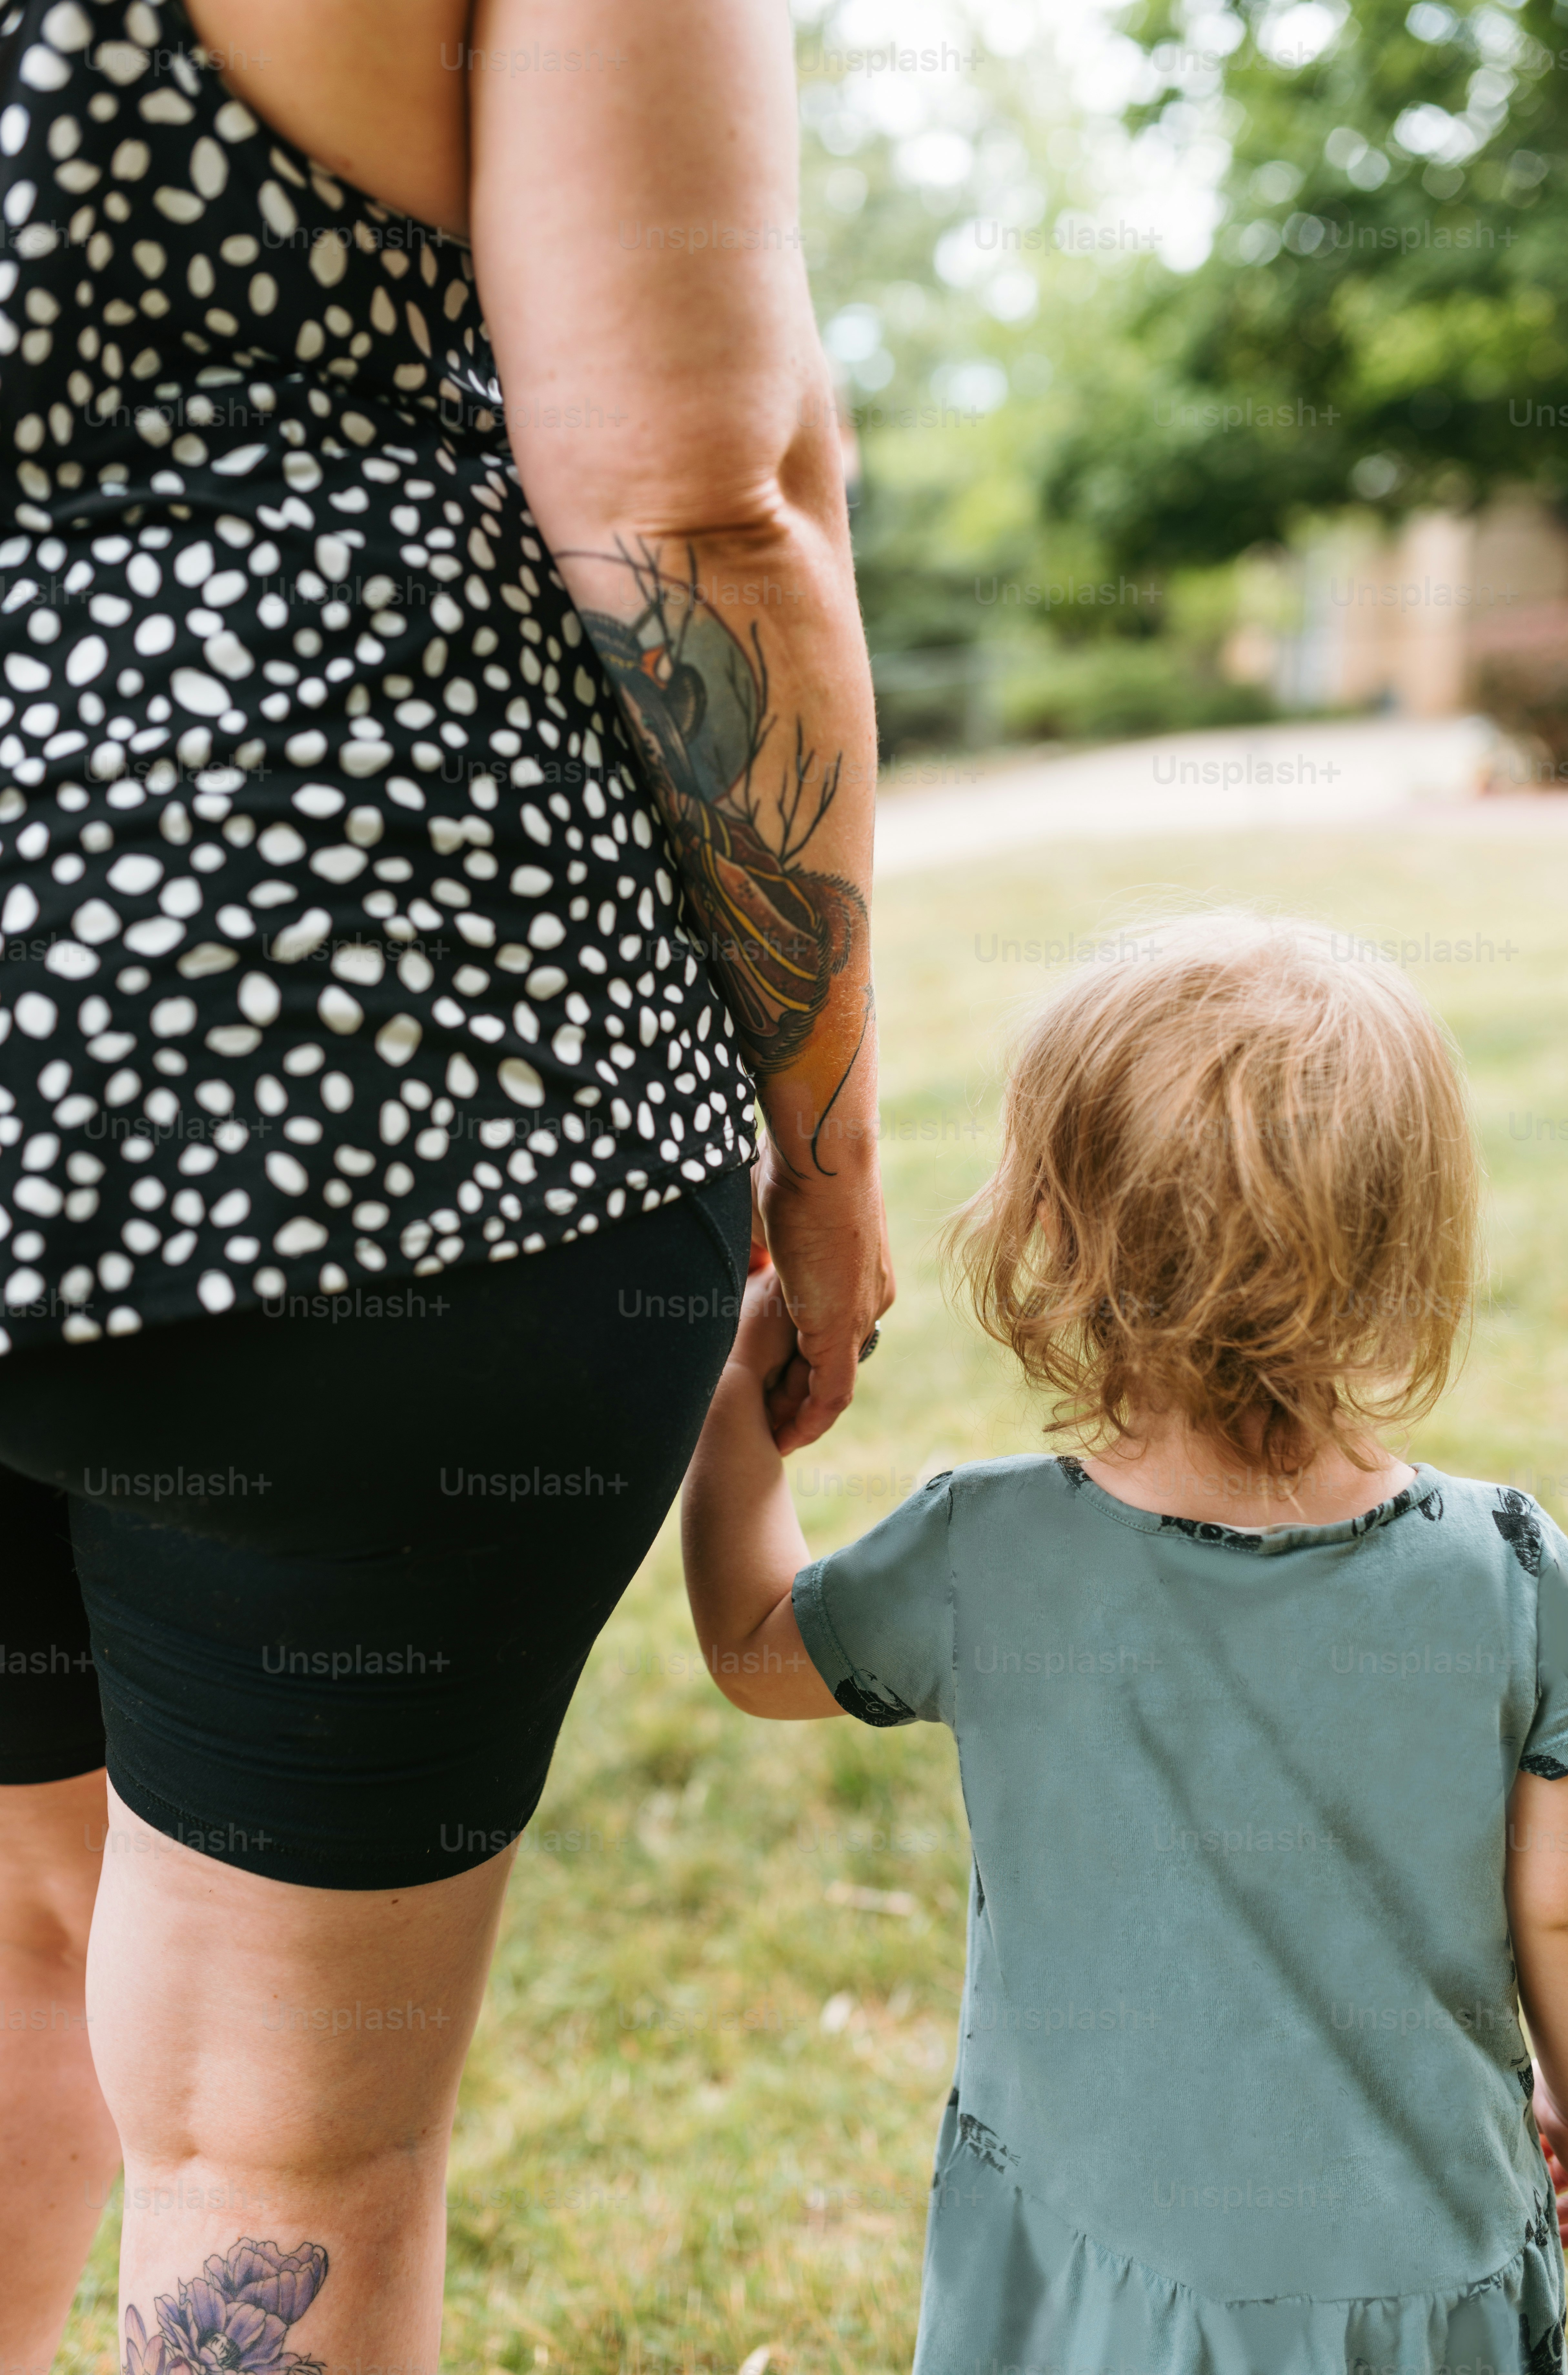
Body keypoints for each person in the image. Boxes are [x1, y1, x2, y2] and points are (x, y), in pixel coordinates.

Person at [0, 0, 890, 2366]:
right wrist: (824, 1151)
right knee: (274, 2153)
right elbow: (691, 498)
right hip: (352, 1077)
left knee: (20, 1954)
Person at [683, 910, 1568, 2371]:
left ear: (1056, 1231)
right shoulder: (1516, 1568)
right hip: (1425, 2275)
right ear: (1406, 1233)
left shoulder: (986, 1553)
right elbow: (1562, 1912)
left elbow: (752, 1644)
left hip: (1097, 2280)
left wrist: (736, 1406)